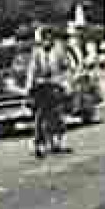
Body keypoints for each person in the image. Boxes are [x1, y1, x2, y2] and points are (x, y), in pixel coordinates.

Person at [26, 26, 73, 157]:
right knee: (40, 115)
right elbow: (32, 70)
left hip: (55, 85)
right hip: (41, 87)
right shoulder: (36, 52)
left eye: (48, 39)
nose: (46, 42)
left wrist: (67, 84)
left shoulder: (59, 50)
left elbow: (66, 68)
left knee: (57, 113)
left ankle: (58, 140)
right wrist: (29, 86)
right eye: (44, 39)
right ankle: (39, 142)